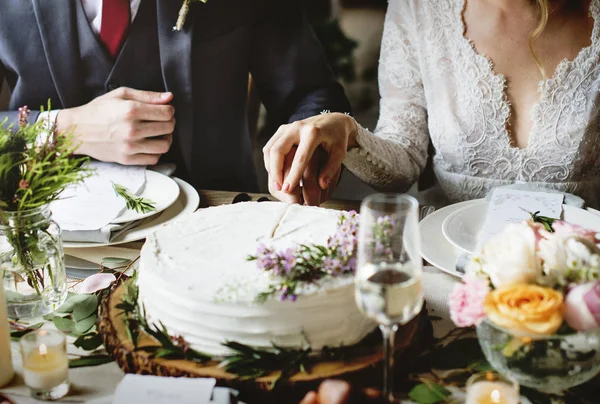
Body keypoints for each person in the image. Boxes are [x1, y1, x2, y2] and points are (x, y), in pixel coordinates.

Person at [265, 0, 600, 208]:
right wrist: (348, 132)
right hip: (445, 270)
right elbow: (403, 164)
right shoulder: (417, 7)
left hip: (582, 276)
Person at [0, 0, 349, 192]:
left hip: (215, 217)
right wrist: (61, 130)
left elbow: (312, 91)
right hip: (42, 235)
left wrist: (311, 145)